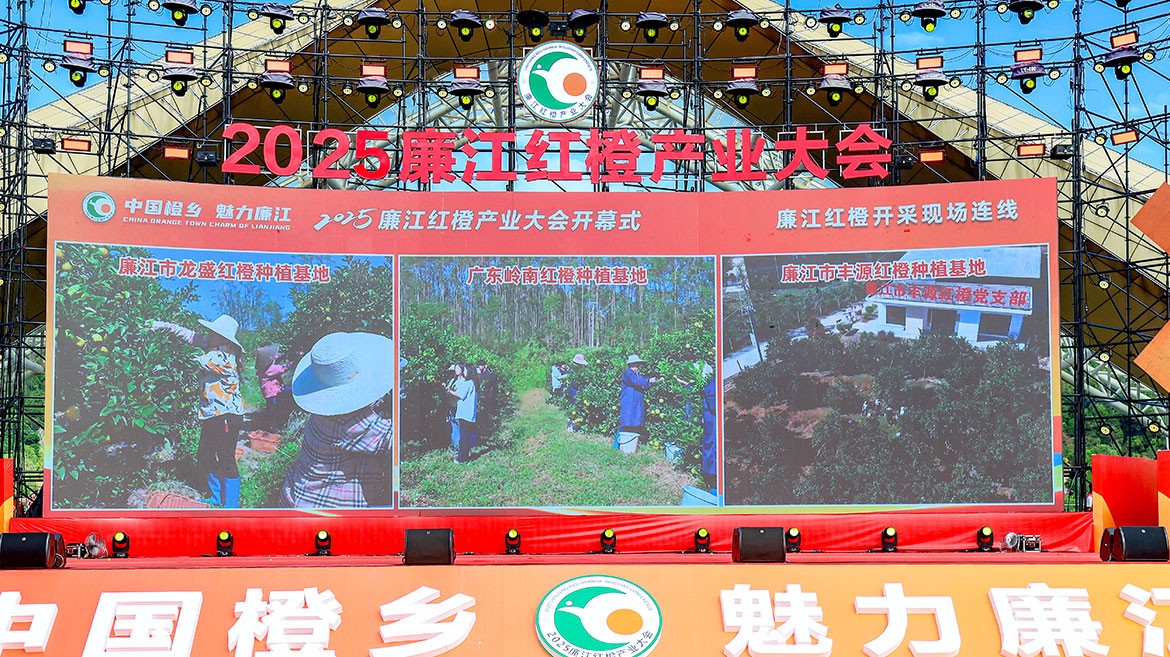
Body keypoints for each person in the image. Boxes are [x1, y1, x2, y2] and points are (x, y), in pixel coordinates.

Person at [281, 332, 395, 508]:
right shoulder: (347, 422)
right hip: (323, 508)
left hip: (299, 494)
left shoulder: (324, 410)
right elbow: (394, 440)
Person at [148, 314, 245, 508]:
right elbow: (190, 336)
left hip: (226, 415)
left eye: (213, 333)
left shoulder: (223, 357)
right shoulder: (213, 345)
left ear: (223, 338)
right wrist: (163, 326)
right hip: (211, 413)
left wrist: (162, 351)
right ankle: (216, 497)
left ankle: (231, 505)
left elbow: (190, 360)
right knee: (205, 455)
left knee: (226, 457)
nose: (209, 334)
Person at [617, 354, 657, 454]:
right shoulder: (628, 373)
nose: (638, 366)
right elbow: (636, 382)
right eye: (636, 364)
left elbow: (642, 384)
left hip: (635, 402)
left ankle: (632, 444)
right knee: (627, 420)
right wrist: (649, 380)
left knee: (635, 421)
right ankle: (623, 445)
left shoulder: (637, 374)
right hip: (629, 402)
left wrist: (652, 382)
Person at [255, 344, 292, 432]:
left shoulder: (263, 367)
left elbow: (275, 358)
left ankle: (272, 426)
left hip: (270, 393)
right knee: (274, 411)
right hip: (273, 394)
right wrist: (295, 360)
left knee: (271, 411)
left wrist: (284, 354)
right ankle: (274, 427)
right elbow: (284, 368)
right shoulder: (269, 369)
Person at [446, 363, 477, 463]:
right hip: (467, 413)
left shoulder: (468, 383)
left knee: (464, 437)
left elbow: (460, 395)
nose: (464, 372)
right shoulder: (472, 382)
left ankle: (462, 458)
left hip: (465, 413)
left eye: (465, 370)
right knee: (465, 435)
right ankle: (465, 457)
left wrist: (449, 391)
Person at [700, 363, 718, 493]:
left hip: (712, 426)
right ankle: (712, 484)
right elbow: (715, 406)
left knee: (711, 450)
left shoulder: (712, 384)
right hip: (712, 427)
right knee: (712, 451)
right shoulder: (712, 386)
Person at [566, 353, 588, 432]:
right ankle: (571, 426)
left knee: (575, 409)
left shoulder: (575, 369)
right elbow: (575, 383)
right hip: (574, 391)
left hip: (574, 391)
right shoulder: (574, 370)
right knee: (573, 409)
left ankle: (574, 426)